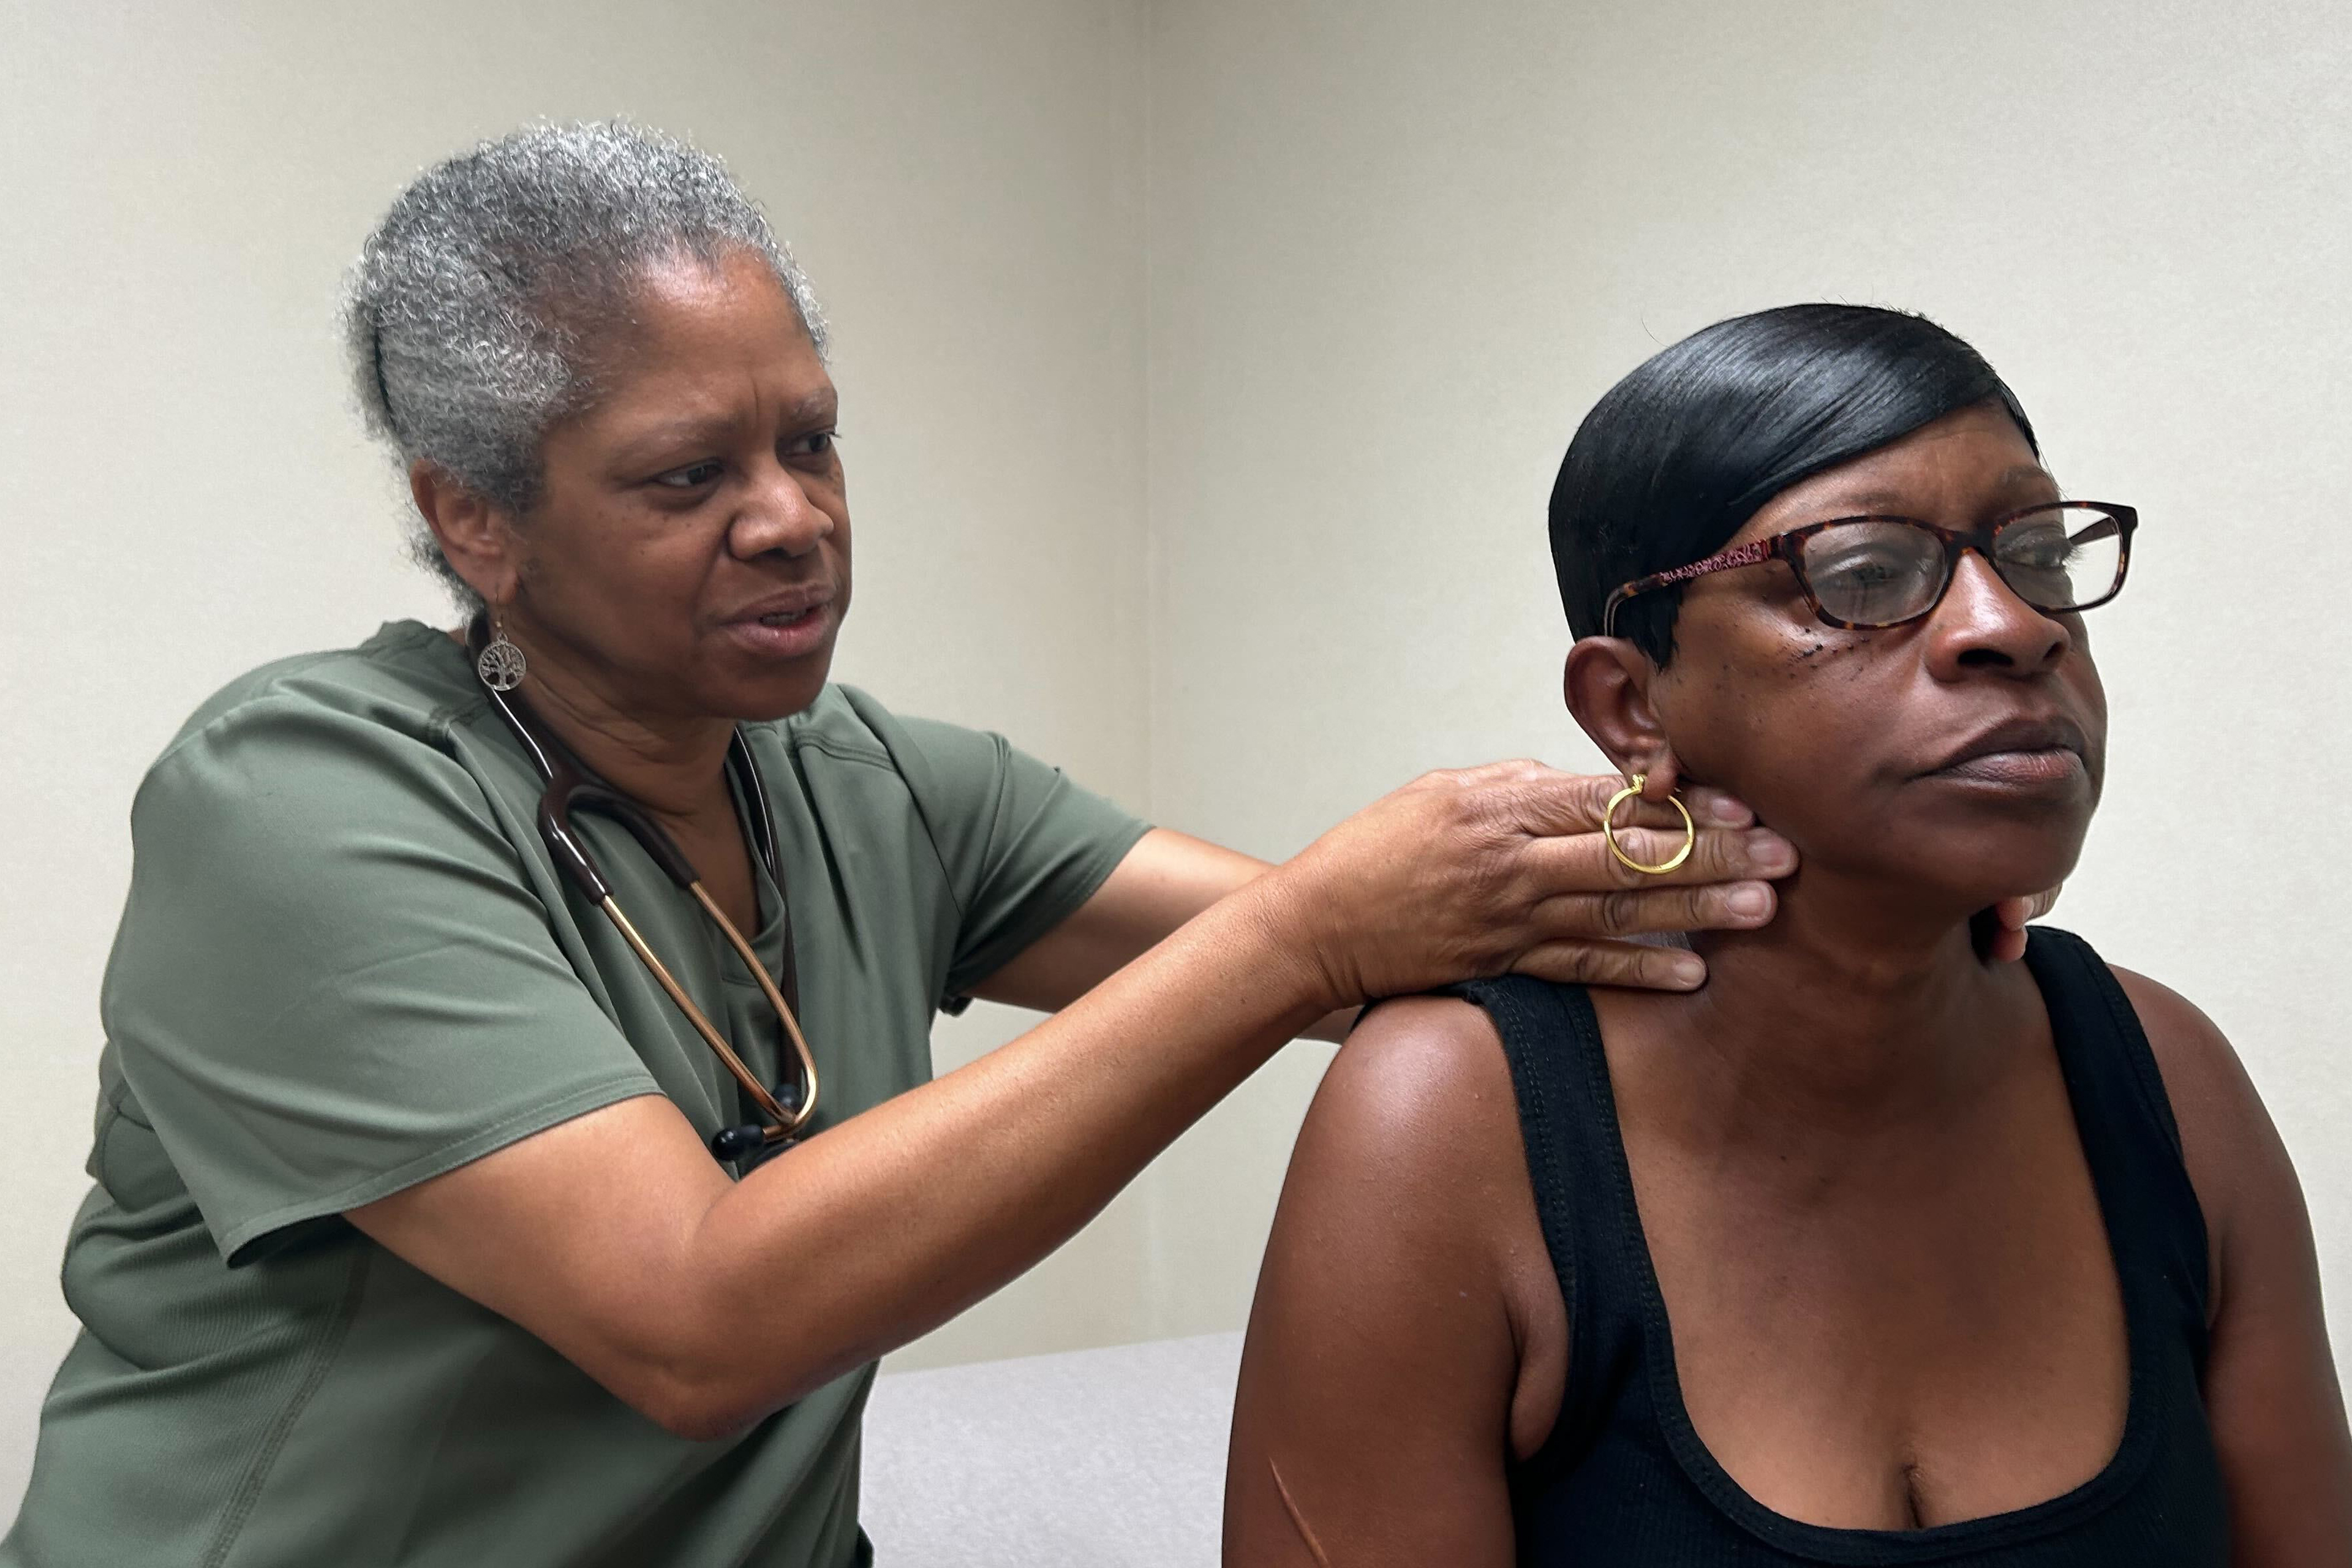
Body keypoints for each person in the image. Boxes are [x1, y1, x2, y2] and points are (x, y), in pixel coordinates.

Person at [0, 122, 1845, 1567]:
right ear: (473, 520)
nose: (792, 521)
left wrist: (1817, 879)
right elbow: (698, 1327)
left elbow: (1419, 936)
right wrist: (1311, 944)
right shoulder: (300, 797)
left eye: (813, 442)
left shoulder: (861, 783)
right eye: (688, 476)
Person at [1224, 304, 2352, 1565]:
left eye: (2035, 551)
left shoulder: (2167, 1076)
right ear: (1632, 701)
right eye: (1863, 572)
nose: (2014, 623)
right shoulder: (1448, 1120)